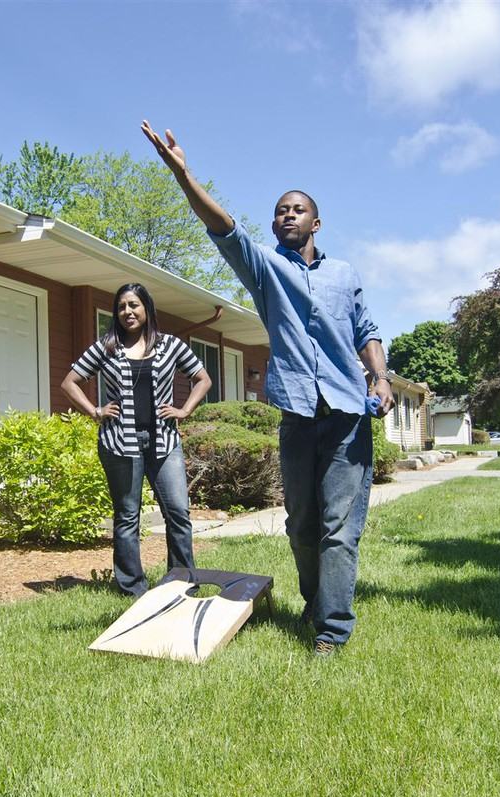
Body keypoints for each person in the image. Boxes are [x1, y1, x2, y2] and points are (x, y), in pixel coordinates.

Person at [142, 121, 394, 656]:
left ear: (316, 222)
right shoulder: (265, 269)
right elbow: (225, 228)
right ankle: (315, 601)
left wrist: (380, 376)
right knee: (301, 527)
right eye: (280, 211)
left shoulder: (345, 274)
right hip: (297, 416)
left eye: (297, 210)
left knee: (338, 529)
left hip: (348, 416)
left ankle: (331, 630)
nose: (287, 216)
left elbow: (366, 330)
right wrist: (183, 175)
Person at [61, 283, 213, 597]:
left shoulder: (170, 345)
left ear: (146, 308)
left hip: (164, 441)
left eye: (134, 305)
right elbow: (70, 382)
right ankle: (132, 588)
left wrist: (184, 410)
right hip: (120, 442)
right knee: (127, 516)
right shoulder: (106, 347)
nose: (127, 312)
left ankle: (182, 581)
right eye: (121, 307)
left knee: (178, 513)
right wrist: (95, 411)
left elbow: (202, 378)